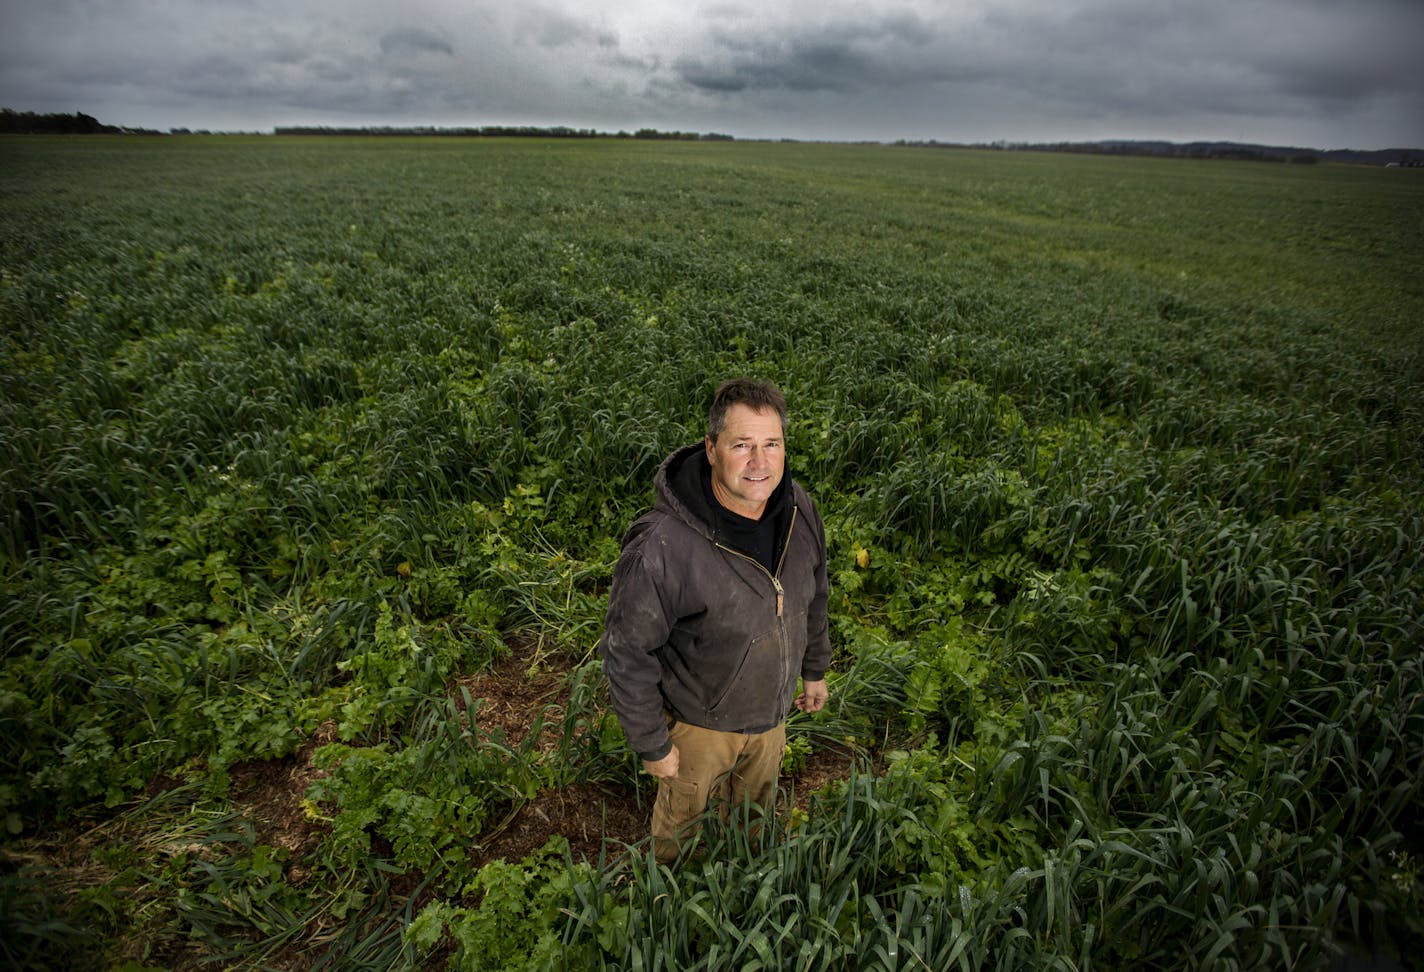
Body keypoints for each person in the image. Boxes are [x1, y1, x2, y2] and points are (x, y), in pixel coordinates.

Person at [599, 378, 831, 862]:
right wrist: (651, 744)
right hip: (697, 725)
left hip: (771, 715)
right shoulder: (663, 545)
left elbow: (815, 593)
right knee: (681, 831)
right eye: (742, 445)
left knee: (751, 821)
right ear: (711, 448)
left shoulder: (798, 511)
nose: (760, 463)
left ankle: (741, 889)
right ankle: (669, 903)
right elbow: (627, 649)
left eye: (772, 444)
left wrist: (814, 668)